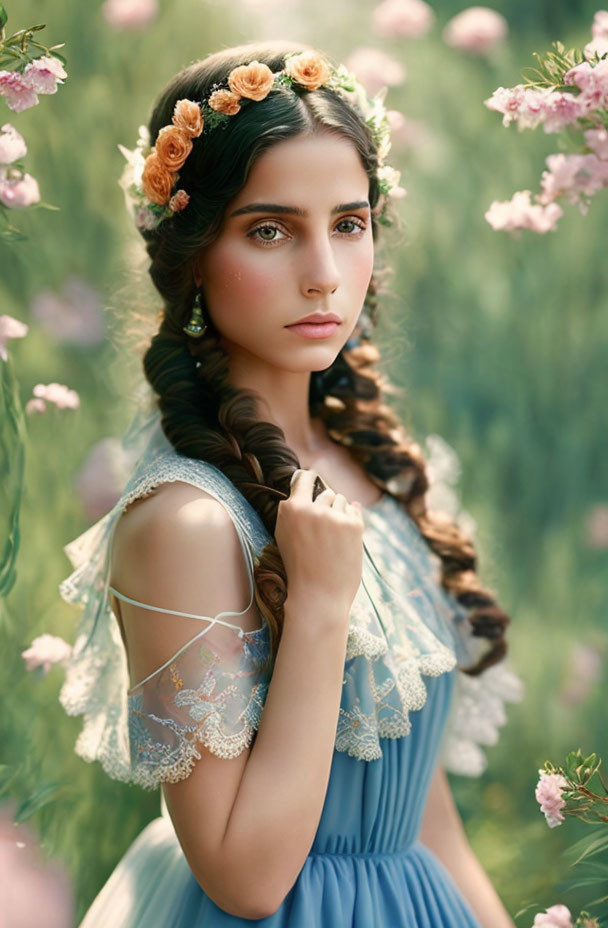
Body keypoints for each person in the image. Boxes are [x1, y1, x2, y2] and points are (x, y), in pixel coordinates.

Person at [57, 39, 523, 927]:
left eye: (348, 223)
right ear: (194, 252)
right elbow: (246, 878)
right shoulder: (188, 522)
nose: (322, 272)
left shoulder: (382, 475)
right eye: (269, 229)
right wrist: (316, 605)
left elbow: (425, 814)